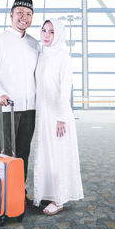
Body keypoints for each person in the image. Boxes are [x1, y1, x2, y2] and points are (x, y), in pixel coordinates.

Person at [0, 0, 40, 205]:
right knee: (4, 152)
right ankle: (1, 195)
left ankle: (17, 192)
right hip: (6, 108)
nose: (24, 17)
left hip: (30, 108)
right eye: (20, 13)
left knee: (23, 153)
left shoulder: (34, 44)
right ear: (11, 15)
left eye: (29, 14)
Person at [33, 18, 84, 215]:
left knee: (58, 156)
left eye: (51, 32)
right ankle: (47, 193)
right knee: (46, 154)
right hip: (43, 114)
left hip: (58, 115)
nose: (46, 35)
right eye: (44, 30)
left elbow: (65, 88)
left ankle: (59, 199)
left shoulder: (63, 56)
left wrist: (62, 117)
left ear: (59, 35)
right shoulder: (43, 55)